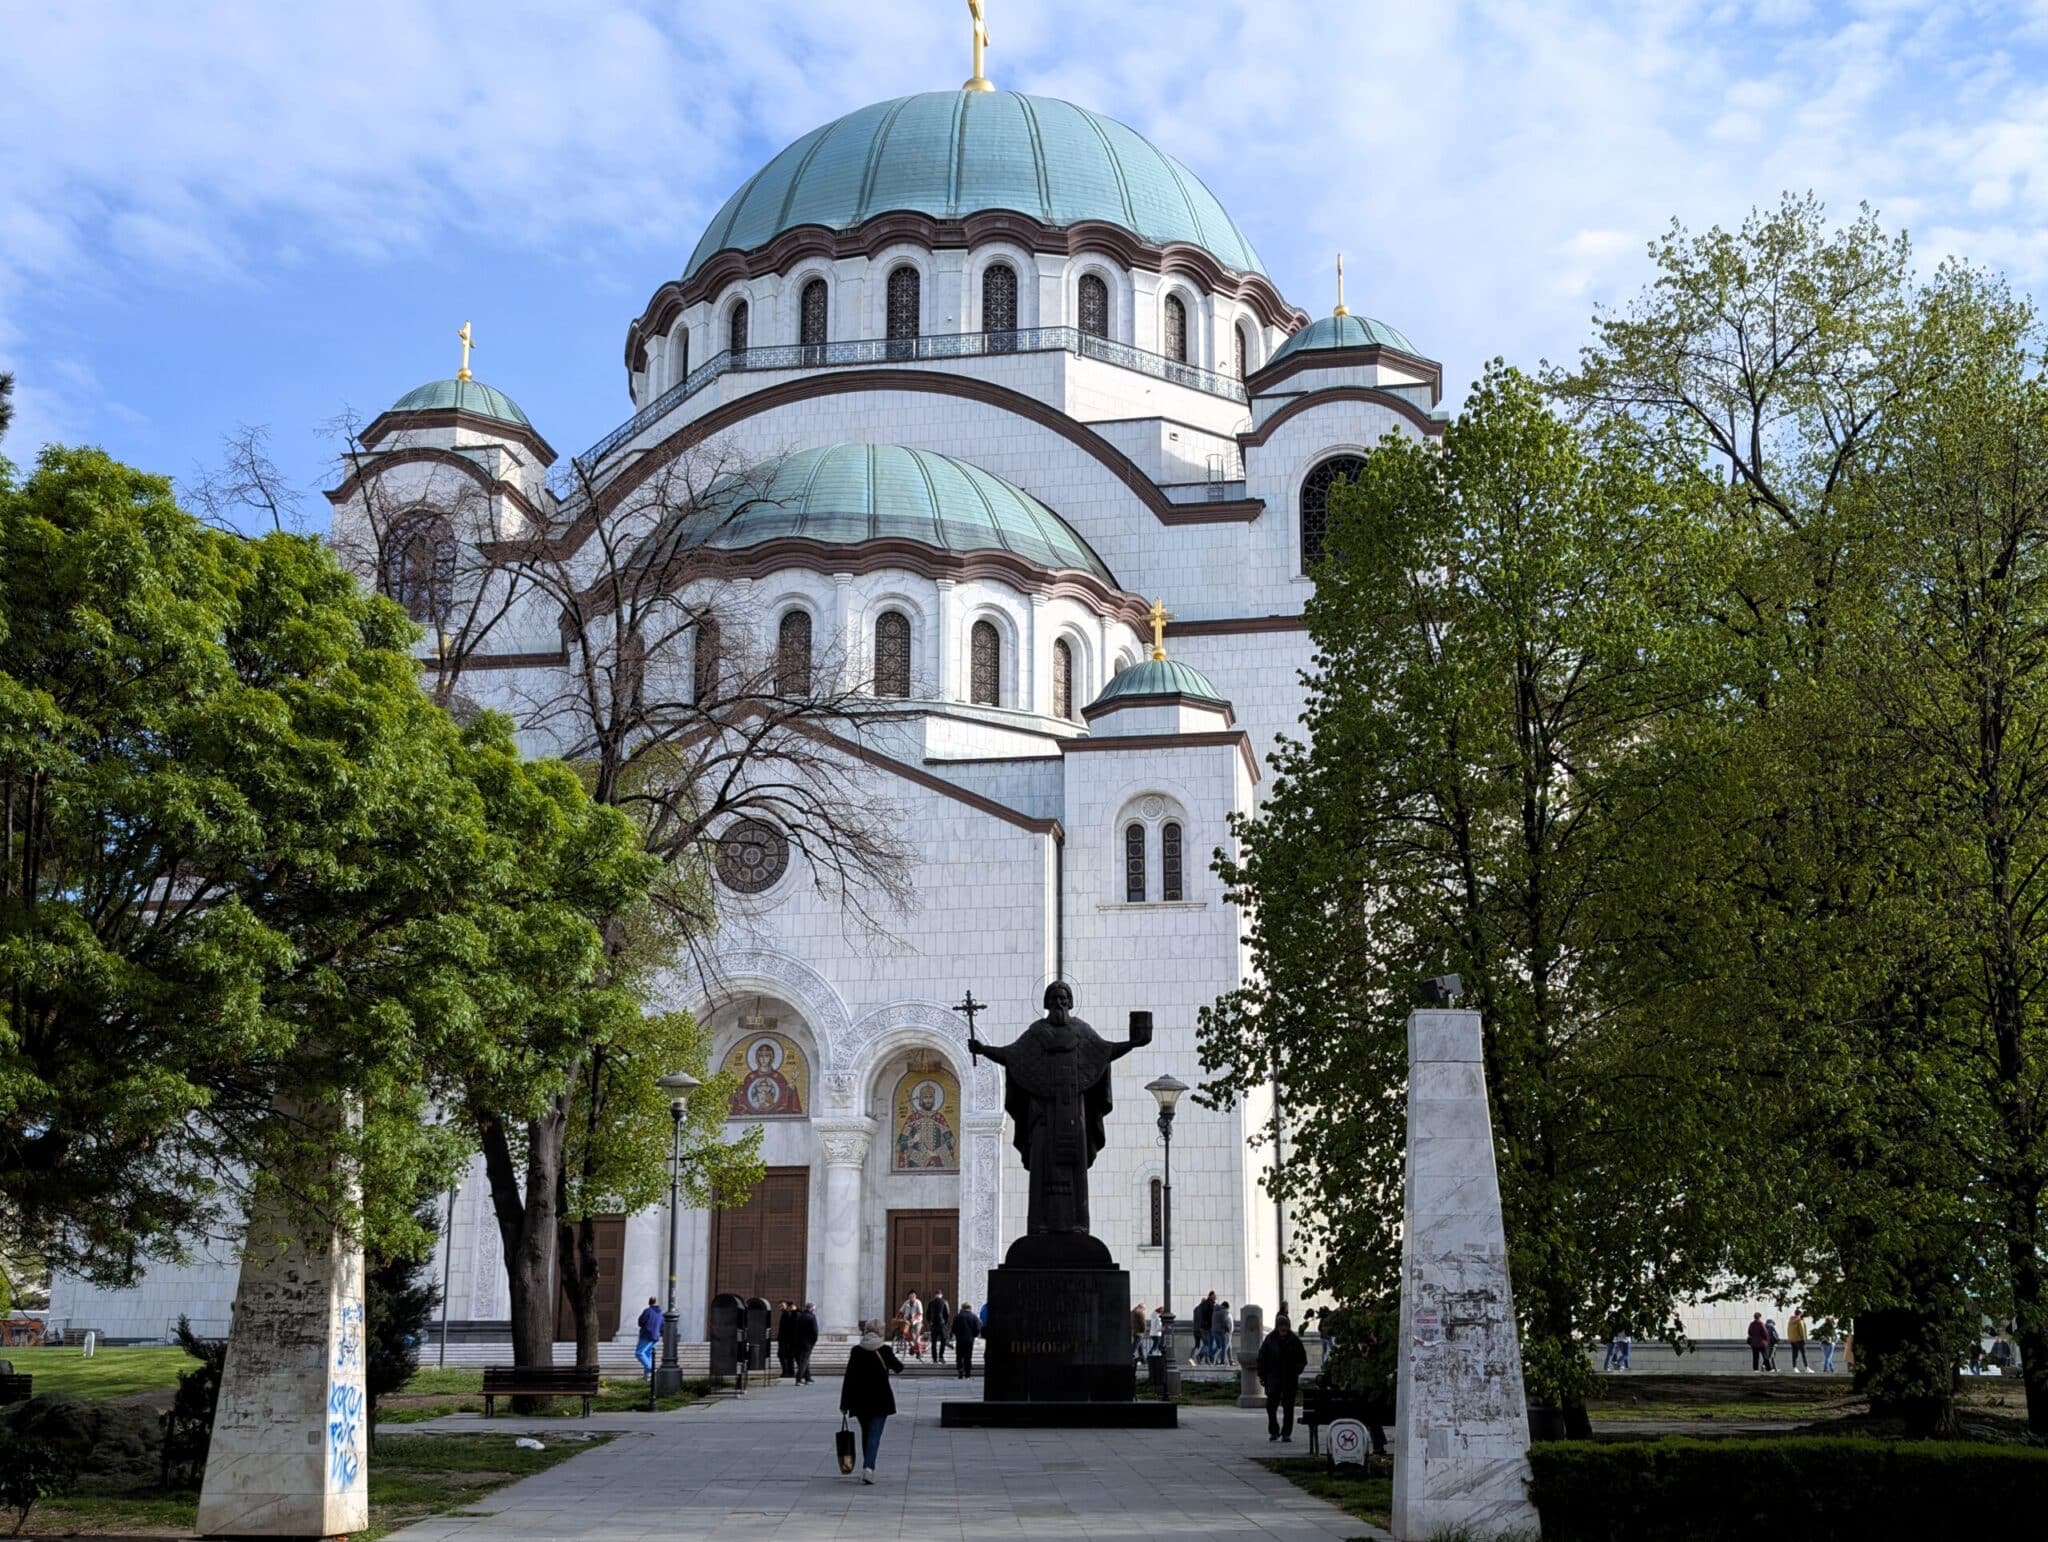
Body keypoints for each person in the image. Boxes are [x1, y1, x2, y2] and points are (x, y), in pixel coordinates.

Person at [839, 1318, 904, 1485]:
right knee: (875, 1434)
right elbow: (899, 1367)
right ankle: (868, 1468)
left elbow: (849, 1378)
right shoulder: (884, 1350)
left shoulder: (857, 1351)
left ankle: (867, 1466)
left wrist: (844, 1403)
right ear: (880, 1332)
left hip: (860, 1400)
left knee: (866, 1433)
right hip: (880, 1399)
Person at [1258, 1315, 1309, 1443]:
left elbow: (1302, 1360)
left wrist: (1296, 1371)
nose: (1283, 1328)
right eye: (1281, 1326)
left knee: (1288, 1407)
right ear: (1277, 1326)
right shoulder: (1270, 1340)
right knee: (1271, 1406)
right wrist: (1262, 1375)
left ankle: (1286, 1433)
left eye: (1285, 1326)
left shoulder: (1295, 1341)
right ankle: (1274, 1431)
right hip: (1273, 1378)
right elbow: (1262, 1358)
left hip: (1289, 1379)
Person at [635, 1296, 663, 1380]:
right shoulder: (660, 1314)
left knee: (639, 1353)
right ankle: (647, 1377)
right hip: (655, 1336)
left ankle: (651, 1369)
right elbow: (662, 1325)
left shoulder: (647, 1311)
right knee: (648, 1354)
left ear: (649, 1303)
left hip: (646, 1334)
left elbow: (640, 1322)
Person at [794, 1302, 820, 1384]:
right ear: (812, 1309)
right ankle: (798, 1379)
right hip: (808, 1343)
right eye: (814, 1309)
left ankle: (808, 1378)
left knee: (805, 1360)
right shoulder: (811, 1317)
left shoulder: (800, 1316)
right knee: (804, 1361)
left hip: (798, 1342)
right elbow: (815, 1331)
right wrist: (813, 1341)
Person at [953, 1301, 980, 1379]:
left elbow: (953, 1328)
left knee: (959, 1356)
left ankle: (960, 1370)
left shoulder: (957, 1316)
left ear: (962, 1308)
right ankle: (967, 1373)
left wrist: (957, 1334)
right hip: (969, 1340)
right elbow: (978, 1328)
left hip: (960, 1339)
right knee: (968, 1356)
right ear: (970, 1308)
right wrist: (974, 1335)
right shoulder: (974, 1317)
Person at [898, 1290, 925, 1360]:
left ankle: (919, 1352)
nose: (912, 1298)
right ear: (908, 1297)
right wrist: (897, 1317)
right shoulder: (906, 1302)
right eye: (910, 1296)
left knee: (914, 1335)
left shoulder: (918, 1302)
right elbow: (901, 1311)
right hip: (907, 1321)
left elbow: (920, 1313)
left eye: (913, 1296)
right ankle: (912, 1348)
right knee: (906, 1333)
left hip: (917, 1321)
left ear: (915, 1296)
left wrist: (914, 1318)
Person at [929, 1291, 953, 1365]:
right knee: (943, 1341)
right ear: (941, 1295)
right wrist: (945, 1322)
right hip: (941, 1324)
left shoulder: (931, 1303)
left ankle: (934, 1358)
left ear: (935, 1295)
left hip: (933, 1325)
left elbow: (928, 1314)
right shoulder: (944, 1302)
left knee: (934, 1342)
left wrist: (930, 1322)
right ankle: (941, 1357)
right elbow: (947, 1313)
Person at [776, 1299, 797, 1380]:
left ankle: (788, 1372)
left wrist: (788, 1341)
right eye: (779, 1305)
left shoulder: (787, 1314)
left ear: (786, 1306)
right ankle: (787, 1372)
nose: (780, 1307)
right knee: (785, 1357)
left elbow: (789, 1328)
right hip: (783, 1340)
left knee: (786, 1357)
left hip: (786, 1341)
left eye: (782, 1305)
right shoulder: (785, 1314)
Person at [1193, 1292, 1216, 1364]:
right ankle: (1201, 1356)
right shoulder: (1210, 1305)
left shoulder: (1196, 1309)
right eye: (1214, 1296)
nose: (1215, 1297)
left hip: (1198, 1328)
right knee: (1208, 1344)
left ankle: (1194, 1359)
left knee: (1199, 1345)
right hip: (1206, 1327)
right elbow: (1210, 1317)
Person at [1214, 1301, 1234, 1369]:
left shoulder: (1216, 1311)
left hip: (1217, 1331)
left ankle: (1231, 1360)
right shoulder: (1224, 1312)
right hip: (1224, 1332)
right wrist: (1228, 1329)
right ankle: (1218, 1359)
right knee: (1224, 1347)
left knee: (1228, 1346)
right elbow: (1226, 1321)